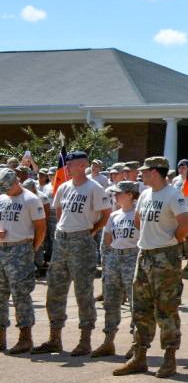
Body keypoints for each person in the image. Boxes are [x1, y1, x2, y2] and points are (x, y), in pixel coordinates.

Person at [113, 156, 188, 378]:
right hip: (144, 255)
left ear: (156, 173)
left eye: (145, 171)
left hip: (164, 257)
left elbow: (186, 224)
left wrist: (171, 241)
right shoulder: (146, 194)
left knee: (166, 308)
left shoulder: (173, 195)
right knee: (140, 308)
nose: (142, 174)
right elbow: (138, 220)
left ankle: (169, 358)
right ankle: (139, 357)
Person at [33, 149, 108, 356]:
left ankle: (85, 340)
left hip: (81, 241)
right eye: (67, 164)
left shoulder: (94, 188)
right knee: (55, 289)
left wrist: (90, 231)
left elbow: (106, 214)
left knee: (83, 291)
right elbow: (59, 212)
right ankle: (54, 338)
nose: (67, 167)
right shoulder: (64, 187)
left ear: (82, 165)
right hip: (62, 240)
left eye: (71, 164)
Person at [0, 167, 47, 355]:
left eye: (7, 187)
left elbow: (41, 229)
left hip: (21, 249)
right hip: (2, 248)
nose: (5, 190)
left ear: (16, 182)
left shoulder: (30, 199)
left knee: (21, 295)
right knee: (0, 295)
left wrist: (31, 249)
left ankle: (25, 338)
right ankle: (1, 336)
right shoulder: (2, 198)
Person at [92, 181, 139, 358]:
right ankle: (108, 341)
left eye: (119, 193)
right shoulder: (114, 216)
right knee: (110, 302)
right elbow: (108, 240)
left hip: (132, 258)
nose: (115, 196)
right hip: (114, 259)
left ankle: (137, 343)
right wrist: (108, 262)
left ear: (130, 195)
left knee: (136, 303)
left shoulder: (139, 215)